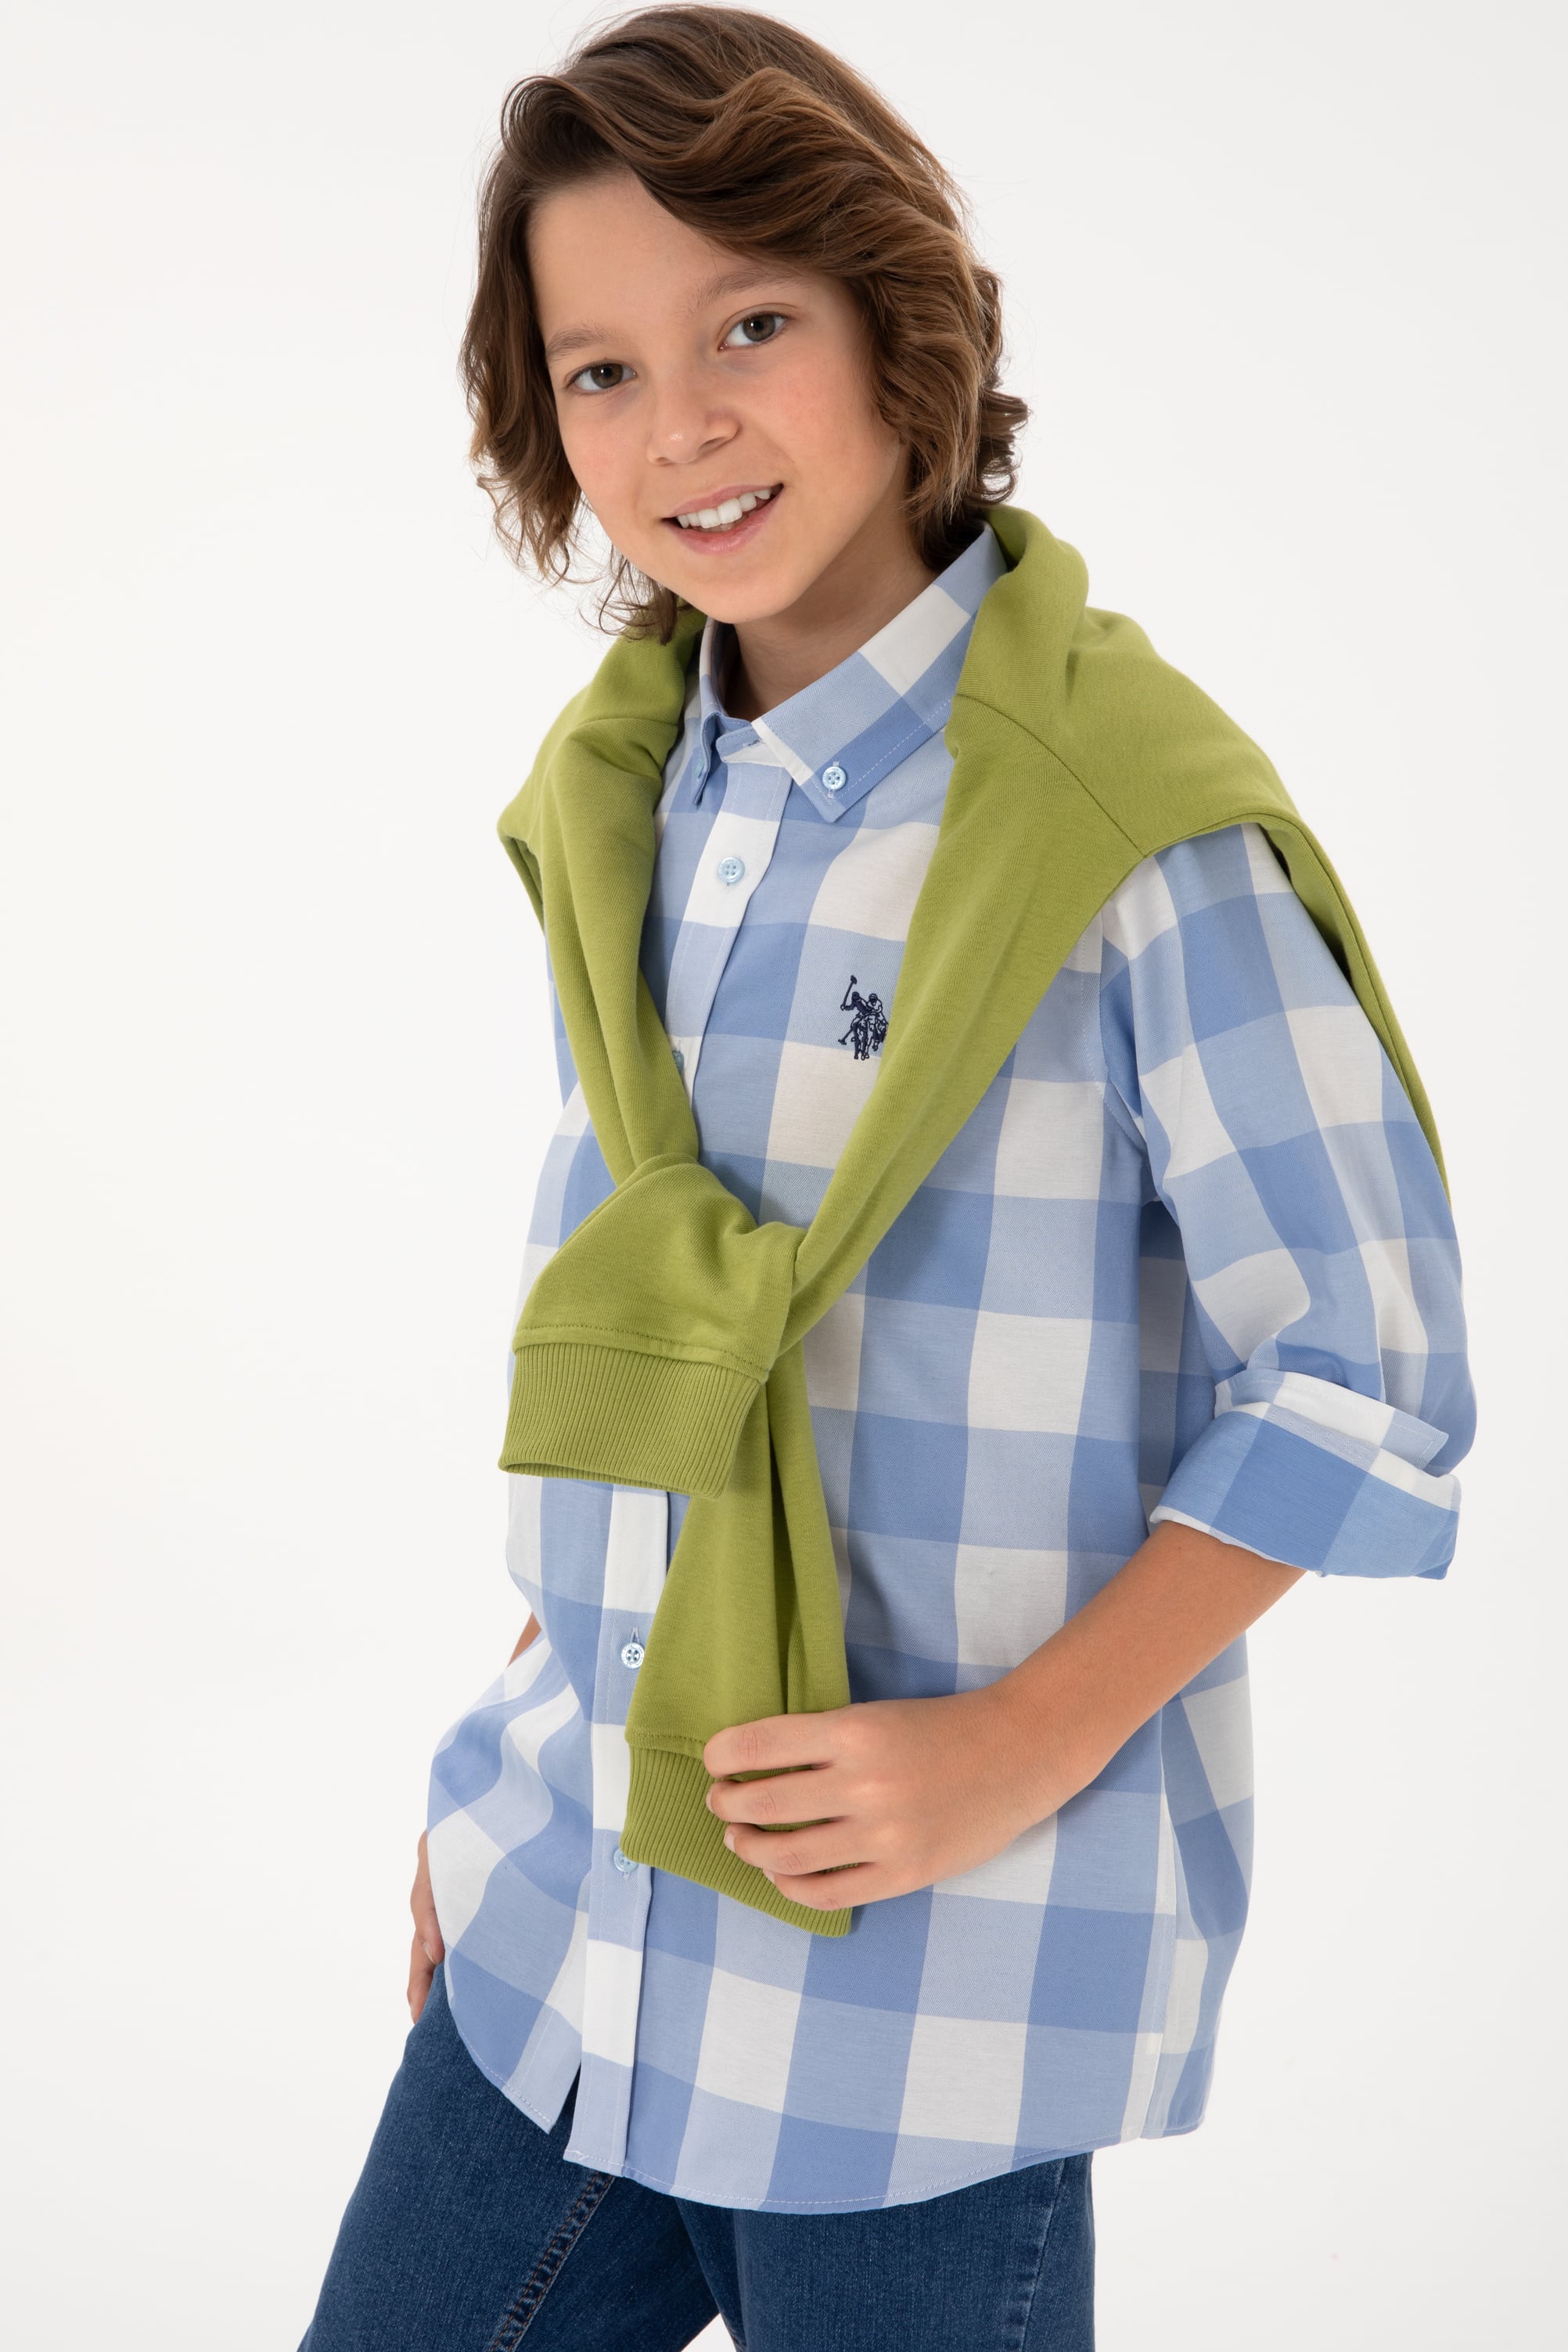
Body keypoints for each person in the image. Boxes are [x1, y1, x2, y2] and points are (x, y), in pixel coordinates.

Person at [298, 9, 1473, 2347]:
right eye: (601, 369)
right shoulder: (627, 787)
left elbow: (1365, 1372)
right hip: (567, 1928)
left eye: (750, 326)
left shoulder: (1122, 822)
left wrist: (1011, 1749)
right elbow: (665, 1315)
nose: (681, 425)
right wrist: (533, 1743)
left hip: (918, 2003)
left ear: (893, 320)